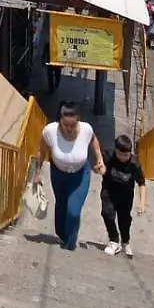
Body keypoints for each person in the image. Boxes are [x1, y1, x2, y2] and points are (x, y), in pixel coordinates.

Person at [35, 103, 105, 250]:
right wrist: (37, 173)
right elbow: (41, 151)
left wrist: (99, 159)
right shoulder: (50, 131)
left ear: (78, 120)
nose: (69, 129)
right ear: (59, 120)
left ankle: (70, 244)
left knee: (73, 211)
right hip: (58, 174)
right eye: (65, 125)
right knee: (61, 204)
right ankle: (62, 234)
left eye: (72, 125)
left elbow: (93, 139)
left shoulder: (86, 129)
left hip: (80, 175)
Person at [100, 134, 146, 257]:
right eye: (120, 154)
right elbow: (97, 164)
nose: (123, 157)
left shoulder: (134, 164)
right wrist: (99, 168)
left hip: (126, 196)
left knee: (124, 220)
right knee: (107, 213)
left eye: (126, 155)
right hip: (109, 191)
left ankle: (125, 241)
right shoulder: (108, 156)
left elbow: (141, 183)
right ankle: (114, 240)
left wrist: (142, 204)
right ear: (115, 150)